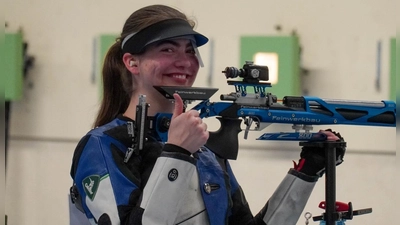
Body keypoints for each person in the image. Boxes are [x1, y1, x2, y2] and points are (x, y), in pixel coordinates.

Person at [70, 4, 345, 225]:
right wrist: (177, 152)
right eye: (167, 49)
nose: (184, 61)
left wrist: (307, 171)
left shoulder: (204, 151)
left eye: (190, 51)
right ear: (131, 62)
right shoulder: (103, 145)